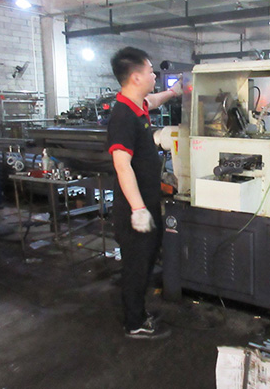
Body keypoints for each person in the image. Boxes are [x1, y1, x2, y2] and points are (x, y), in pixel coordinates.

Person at [107, 47, 183, 339]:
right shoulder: (123, 116)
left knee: (147, 259)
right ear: (136, 77)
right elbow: (122, 165)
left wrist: (174, 92)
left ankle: (138, 312)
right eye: (151, 71)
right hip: (133, 209)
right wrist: (138, 209)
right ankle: (134, 322)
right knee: (137, 266)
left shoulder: (136, 105)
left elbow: (152, 101)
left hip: (147, 202)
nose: (155, 76)